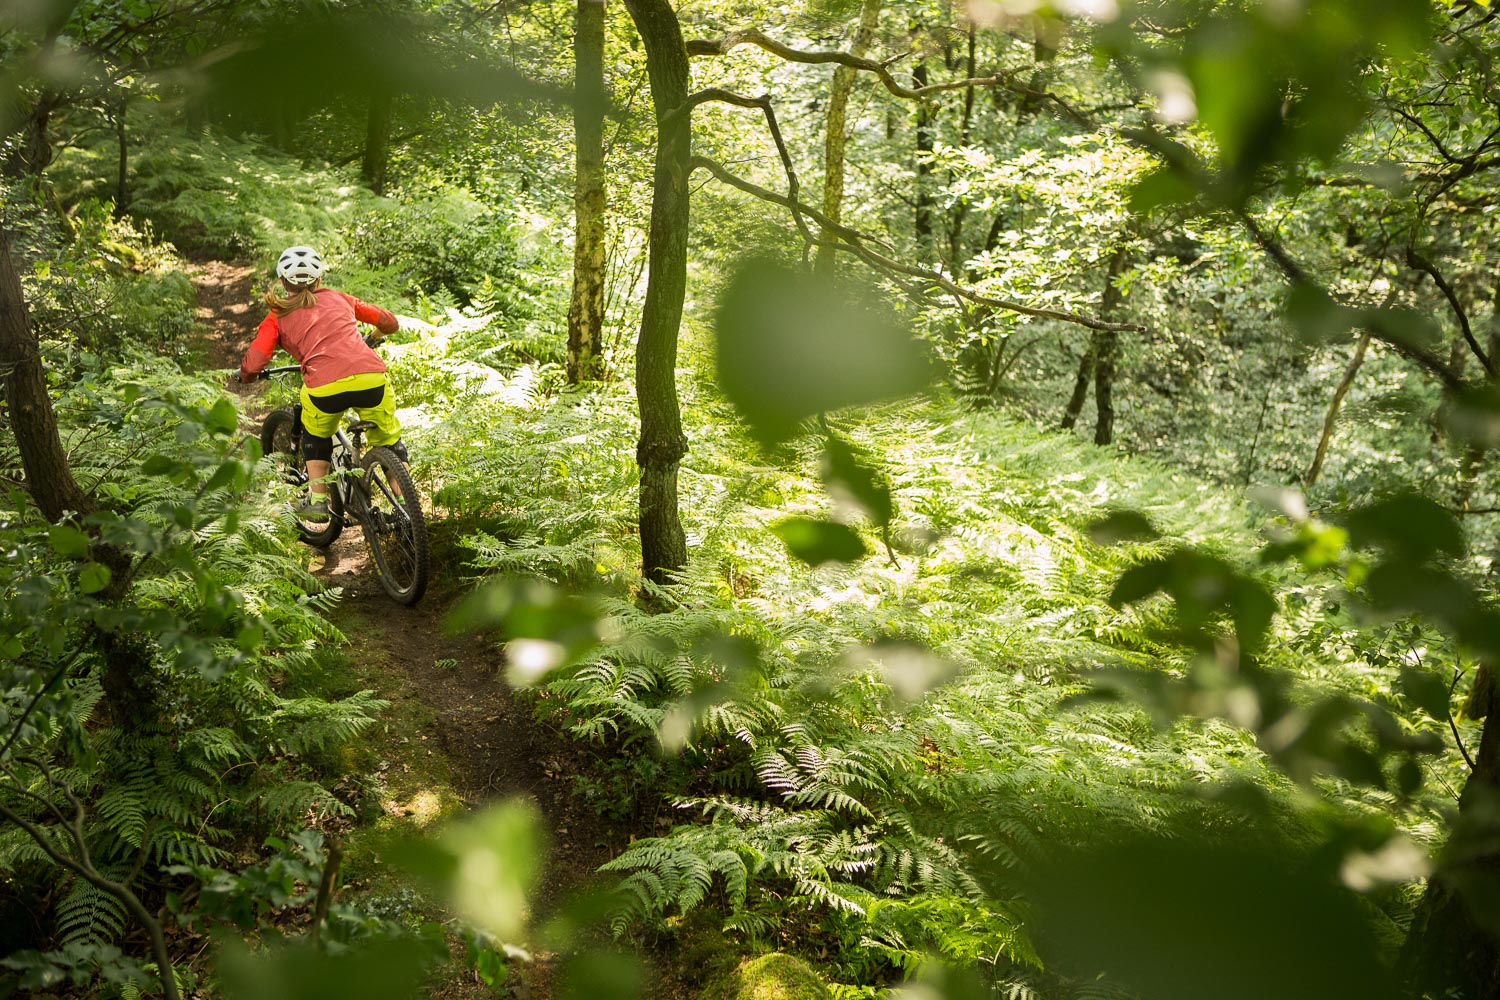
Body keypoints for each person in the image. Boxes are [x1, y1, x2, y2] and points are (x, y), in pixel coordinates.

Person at [237, 245, 404, 522]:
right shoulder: (340, 298)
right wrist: (372, 338)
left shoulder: (277, 316)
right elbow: (390, 322)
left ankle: (316, 501)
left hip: (324, 388)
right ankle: (407, 508)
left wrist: (245, 375)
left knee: (316, 434)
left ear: (282, 281)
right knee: (389, 440)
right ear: (319, 280)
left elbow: (254, 363)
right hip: (372, 378)